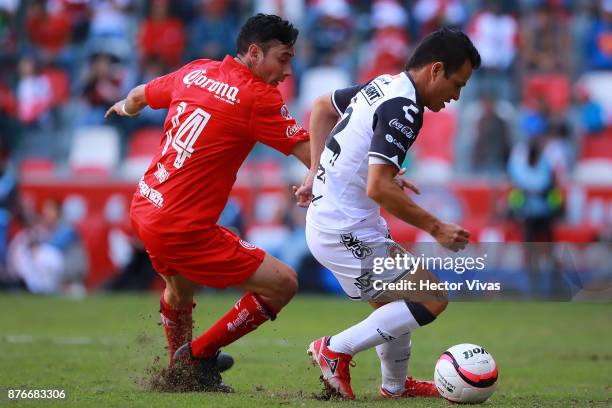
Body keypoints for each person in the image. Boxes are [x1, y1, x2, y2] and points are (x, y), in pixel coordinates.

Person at [106, 14, 310, 392]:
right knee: (282, 284)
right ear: (254, 53)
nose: (287, 71)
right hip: (182, 227)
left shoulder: (195, 70)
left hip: (146, 205)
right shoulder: (257, 96)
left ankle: (178, 374)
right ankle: (196, 357)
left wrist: (125, 107)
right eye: (283, 58)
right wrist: (373, 171)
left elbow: (137, 96)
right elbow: (310, 151)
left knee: (179, 291)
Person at [294, 28, 480, 399]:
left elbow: (321, 108)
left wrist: (316, 171)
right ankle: (335, 349)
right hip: (344, 230)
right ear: (436, 70)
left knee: (395, 308)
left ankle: (395, 387)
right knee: (432, 297)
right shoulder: (405, 107)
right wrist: (437, 227)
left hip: (335, 222)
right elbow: (377, 188)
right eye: (457, 84)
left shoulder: (385, 84)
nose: (456, 96)